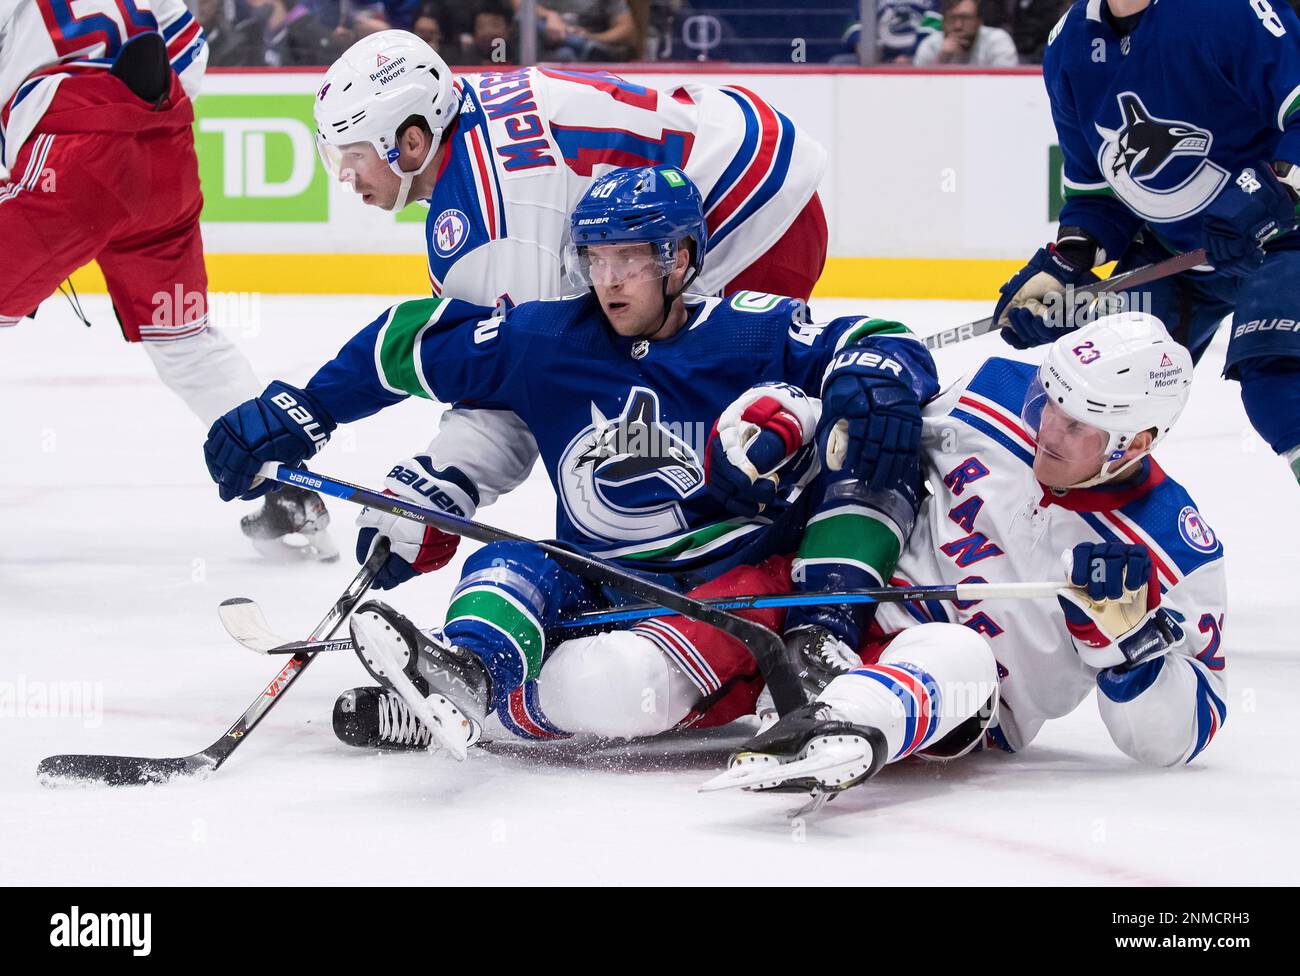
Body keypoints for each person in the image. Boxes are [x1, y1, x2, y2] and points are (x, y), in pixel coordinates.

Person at [203, 166, 939, 755]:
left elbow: (877, 334)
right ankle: (464, 679)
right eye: (595, 257)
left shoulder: (751, 332)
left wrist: (872, 371)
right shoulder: (549, 338)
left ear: (681, 259)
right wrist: (305, 408)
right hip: (595, 577)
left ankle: (480, 716)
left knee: (612, 690)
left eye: (632, 258)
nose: (609, 279)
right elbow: (409, 339)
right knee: (509, 566)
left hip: (722, 586)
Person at [306, 29, 831, 590]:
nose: (346, 175)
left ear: (411, 143)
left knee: (699, 401)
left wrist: (438, 484)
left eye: (355, 155)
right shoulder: (460, 120)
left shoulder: (492, 225)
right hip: (742, 143)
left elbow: (532, 371)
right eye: (336, 155)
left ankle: (764, 570)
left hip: (752, 209)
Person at [707, 311, 1228, 800]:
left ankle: (836, 725)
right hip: (838, 611)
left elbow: (1182, 734)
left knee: (960, 652)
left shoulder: (1173, 546)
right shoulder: (994, 396)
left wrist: (1130, 645)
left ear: (1133, 444)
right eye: (1047, 402)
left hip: (959, 701)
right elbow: (880, 430)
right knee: (656, 664)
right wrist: (800, 420)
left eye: (1075, 427)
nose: (1046, 430)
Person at [0, 0, 336, 560]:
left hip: (70, 156)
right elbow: (188, 60)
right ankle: (288, 488)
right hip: (165, 158)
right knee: (185, 342)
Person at [993, 0, 1300, 487]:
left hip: (1284, 239)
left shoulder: (1227, 12)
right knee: (1093, 405)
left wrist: (1273, 195)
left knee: (1280, 383)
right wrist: (1065, 266)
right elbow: (1096, 193)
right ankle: (1082, 551)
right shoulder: (1068, 45)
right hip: (1174, 260)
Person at [913, 0, 1019, 66]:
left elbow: (1005, 85)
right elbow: (920, 88)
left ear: (979, 22)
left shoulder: (997, 40)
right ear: (943, 22)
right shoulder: (931, 45)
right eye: (952, 18)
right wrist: (942, 59)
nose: (958, 25)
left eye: (965, 18)